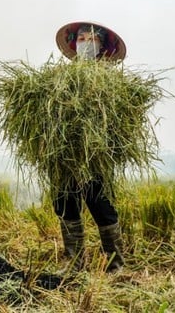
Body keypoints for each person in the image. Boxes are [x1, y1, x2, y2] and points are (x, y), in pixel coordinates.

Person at [53, 21, 127, 273]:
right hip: (64, 154)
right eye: (82, 38)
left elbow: (120, 119)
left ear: (102, 45)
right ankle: (74, 263)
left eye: (92, 38)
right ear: (75, 43)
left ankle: (115, 264)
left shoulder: (111, 79)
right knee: (65, 204)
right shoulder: (60, 78)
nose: (86, 42)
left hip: (96, 155)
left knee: (100, 205)